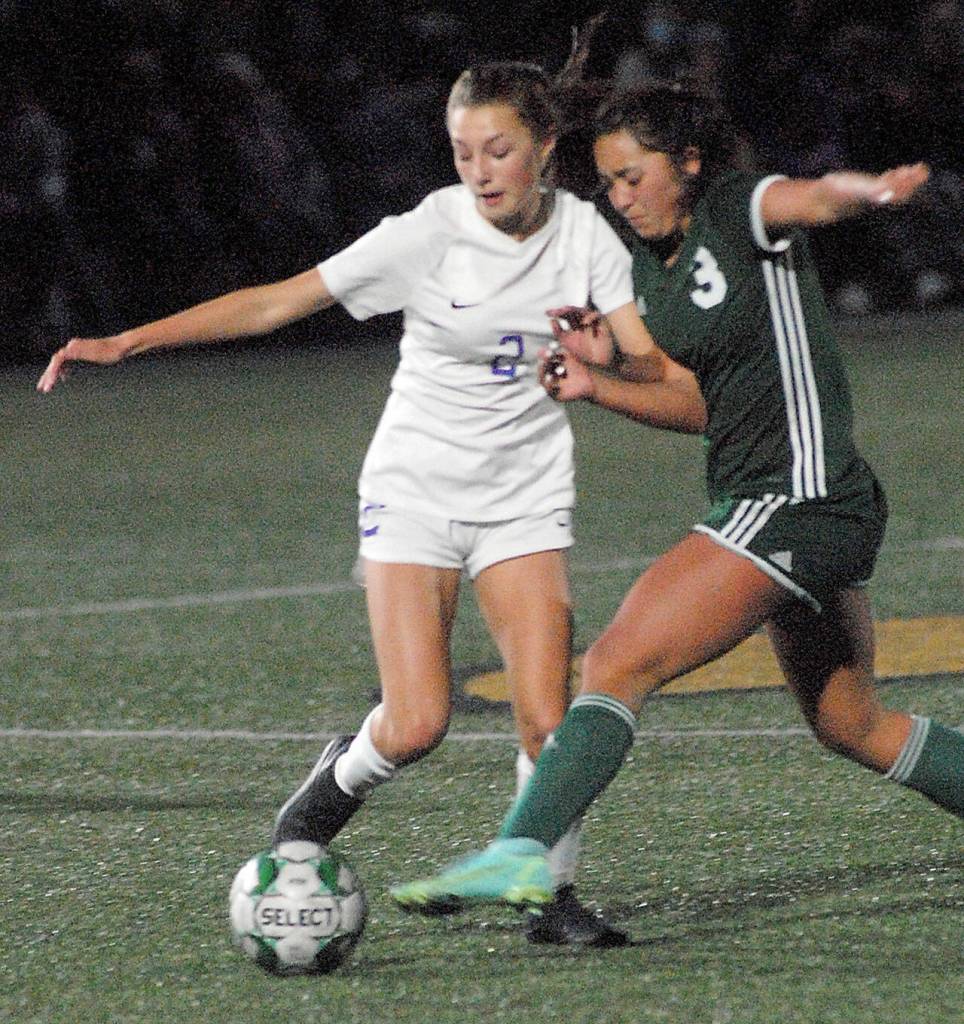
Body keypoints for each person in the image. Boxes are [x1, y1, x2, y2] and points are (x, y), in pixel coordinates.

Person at [36, 62, 701, 946]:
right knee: (419, 721)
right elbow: (283, 301)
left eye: (498, 150)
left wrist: (604, 358)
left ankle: (549, 894)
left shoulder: (586, 236)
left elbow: (648, 363)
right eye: (463, 152)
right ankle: (335, 782)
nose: (480, 170)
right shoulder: (428, 232)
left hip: (525, 497)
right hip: (415, 490)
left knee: (549, 719)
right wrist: (131, 339)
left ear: (544, 150)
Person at [390, 82, 964, 920]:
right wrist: (598, 381)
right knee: (851, 723)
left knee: (618, 662)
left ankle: (520, 850)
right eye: (608, 184)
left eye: (631, 178)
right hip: (793, 504)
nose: (619, 199)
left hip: (797, 499)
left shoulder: (738, 212)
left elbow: (806, 197)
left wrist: (866, 191)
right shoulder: (656, 277)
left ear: (687, 164)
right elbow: (695, 402)